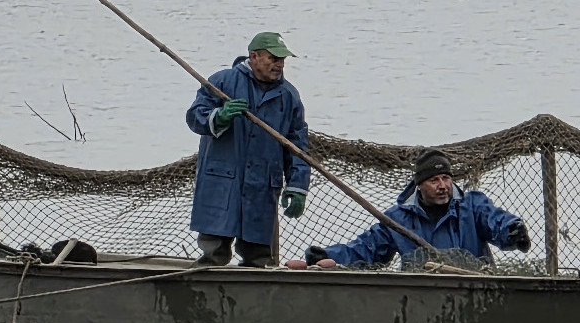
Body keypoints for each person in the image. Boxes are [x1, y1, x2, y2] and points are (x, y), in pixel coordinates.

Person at [187, 32, 309, 266]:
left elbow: (297, 146)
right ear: (254, 56)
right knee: (213, 252)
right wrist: (219, 117)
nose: (279, 64)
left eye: (282, 59)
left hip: (262, 185)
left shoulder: (289, 96)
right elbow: (194, 117)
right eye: (273, 58)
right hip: (222, 183)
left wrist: (297, 186)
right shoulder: (222, 82)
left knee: (260, 257)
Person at [303, 148, 531, 269]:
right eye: (434, 180)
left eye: (446, 178)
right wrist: (329, 256)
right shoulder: (397, 219)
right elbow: (366, 250)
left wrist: (513, 231)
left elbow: (496, 221)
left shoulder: (472, 205)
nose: (443, 186)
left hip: (473, 287)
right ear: (419, 185)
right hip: (422, 295)